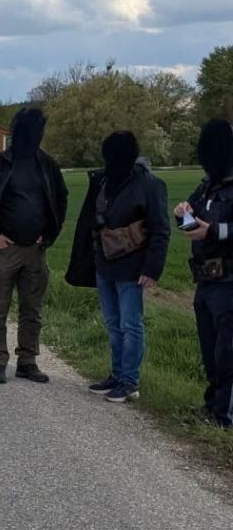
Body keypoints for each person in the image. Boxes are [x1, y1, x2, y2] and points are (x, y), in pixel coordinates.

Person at [65, 131, 170, 403]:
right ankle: (116, 374)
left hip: (133, 267)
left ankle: (129, 381)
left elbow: (161, 230)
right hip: (105, 263)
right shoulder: (104, 181)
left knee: (131, 324)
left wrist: (152, 268)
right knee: (113, 324)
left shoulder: (150, 185)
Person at [0, 107, 69, 384]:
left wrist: (49, 235)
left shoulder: (47, 165)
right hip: (3, 249)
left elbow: (61, 199)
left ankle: (28, 361)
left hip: (35, 251)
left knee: (31, 310)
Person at [174, 119, 233, 427]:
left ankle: (225, 416)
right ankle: (211, 407)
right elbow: (192, 223)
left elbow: (217, 230)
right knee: (210, 351)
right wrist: (183, 214)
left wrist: (214, 232)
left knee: (228, 353)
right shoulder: (207, 185)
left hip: (229, 282)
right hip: (206, 280)